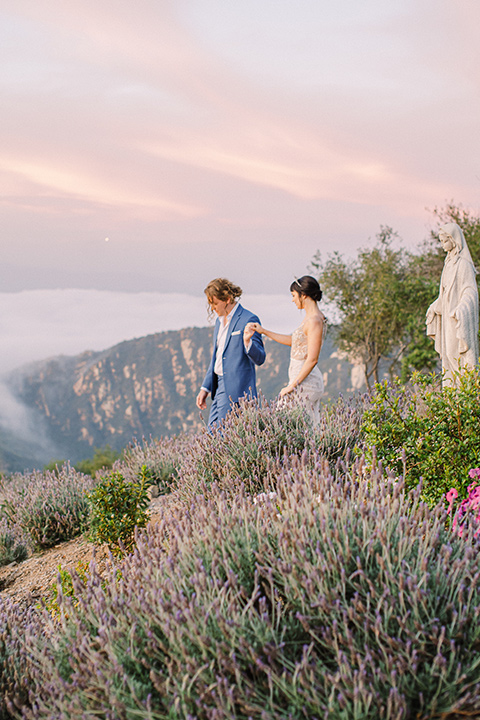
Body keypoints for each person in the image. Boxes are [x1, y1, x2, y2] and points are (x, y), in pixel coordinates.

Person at [246, 275, 325, 424]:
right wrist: (264, 331)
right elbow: (295, 342)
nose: (292, 300)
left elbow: (313, 359)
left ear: (304, 295)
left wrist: (292, 386)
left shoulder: (315, 320)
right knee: (298, 427)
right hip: (300, 379)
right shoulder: (311, 318)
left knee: (284, 423)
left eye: (294, 296)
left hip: (305, 382)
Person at [196, 278, 266, 429]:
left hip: (237, 390)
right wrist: (205, 389)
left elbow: (260, 358)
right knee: (214, 438)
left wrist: (248, 343)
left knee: (218, 438)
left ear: (227, 299)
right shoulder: (218, 322)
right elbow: (217, 357)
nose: (213, 308)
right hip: (219, 387)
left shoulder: (248, 319)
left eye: (215, 303)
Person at [426, 222, 479, 386]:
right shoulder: (447, 264)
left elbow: (470, 291)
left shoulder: (464, 265)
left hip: (456, 319)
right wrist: (435, 306)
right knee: (448, 355)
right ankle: (452, 395)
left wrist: (462, 308)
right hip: (447, 319)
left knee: (457, 354)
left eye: (444, 241)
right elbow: (445, 294)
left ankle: (462, 391)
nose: (442, 245)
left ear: (453, 239)